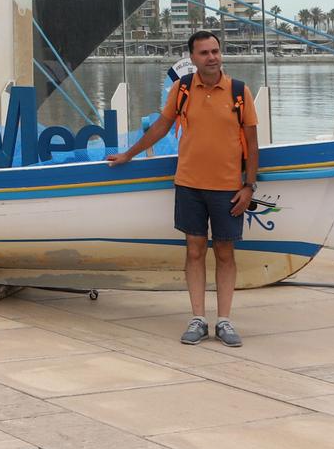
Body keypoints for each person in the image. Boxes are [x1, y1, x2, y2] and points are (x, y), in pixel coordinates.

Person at [107, 29, 259, 347]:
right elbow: (162, 126)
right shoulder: (183, 89)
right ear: (193, 58)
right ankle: (198, 318)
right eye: (204, 53)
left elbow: (252, 142)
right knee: (193, 251)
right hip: (189, 184)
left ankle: (226, 321)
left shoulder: (239, 92)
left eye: (215, 51)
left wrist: (249, 186)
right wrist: (129, 154)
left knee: (226, 252)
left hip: (228, 188)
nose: (212, 57)